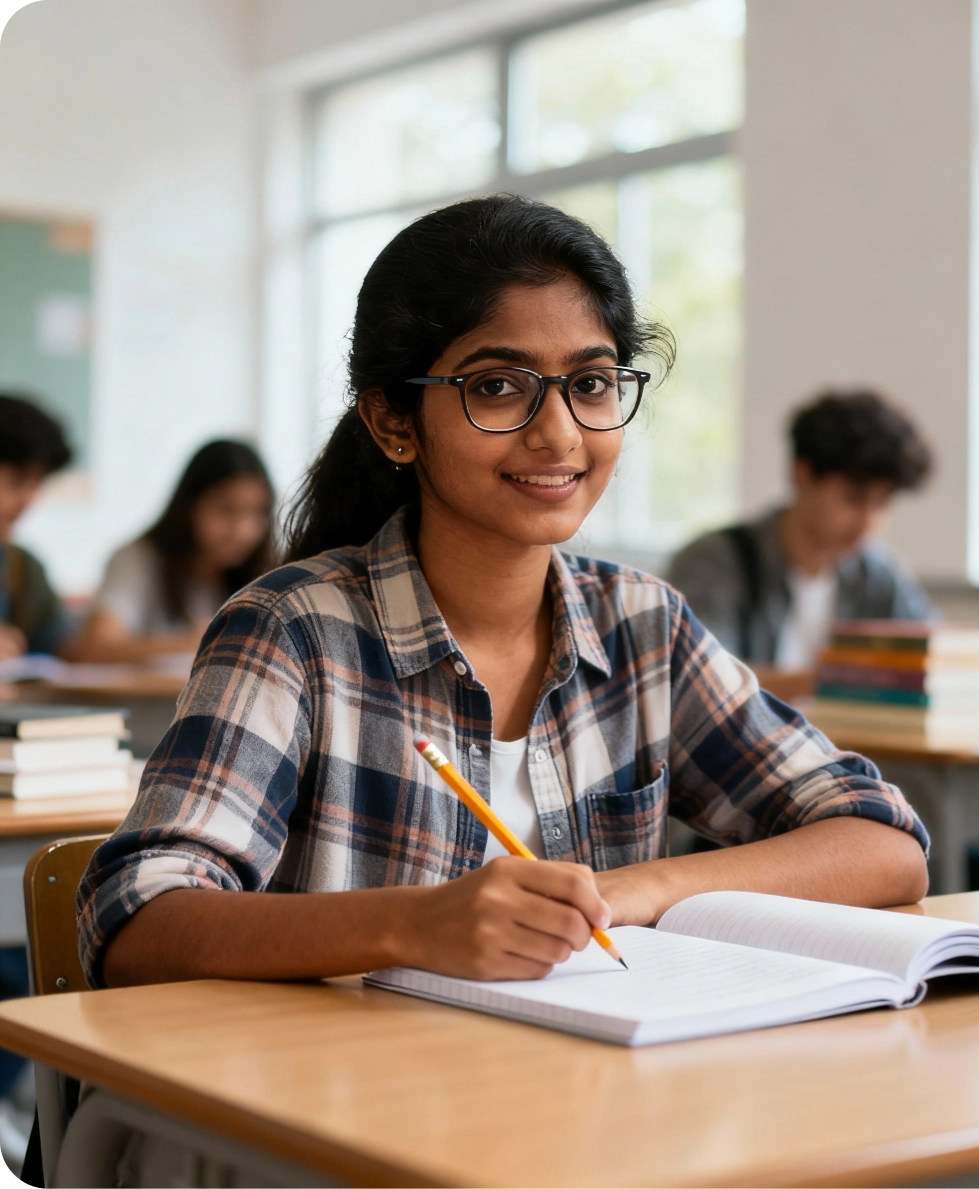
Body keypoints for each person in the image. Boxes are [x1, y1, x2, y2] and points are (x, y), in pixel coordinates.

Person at [77, 196, 928, 994]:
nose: (558, 433)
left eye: (592, 384)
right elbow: (138, 922)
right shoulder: (296, 631)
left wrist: (637, 888)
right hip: (334, 1110)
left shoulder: (642, 627)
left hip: (579, 1096)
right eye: (497, 386)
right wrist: (414, 925)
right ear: (393, 423)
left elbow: (885, 844)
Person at [668, 390, 935, 688]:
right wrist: (839, 682)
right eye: (853, 499)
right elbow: (698, 681)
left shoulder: (876, 573)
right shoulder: (718, 561)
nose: (869, 523)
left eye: (882, 504)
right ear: (803, 476)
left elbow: (936, 660)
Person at [67, 440, 275, 665]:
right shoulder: (138, 559)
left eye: (257, 513)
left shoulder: (269, 571)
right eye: (226, 510)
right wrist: (199, 641)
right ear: (190, 506)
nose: (243, 530)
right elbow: (94, 648)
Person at [0, 392, 73, 660]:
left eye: (37, 484)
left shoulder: (21, 568)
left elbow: (67, 650)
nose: (26, 502)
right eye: (16, 481)